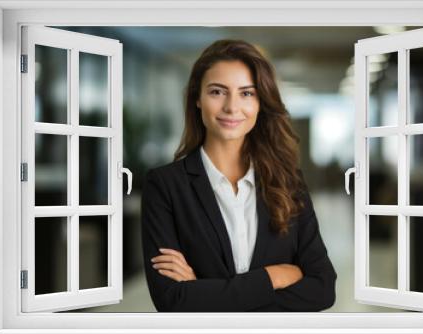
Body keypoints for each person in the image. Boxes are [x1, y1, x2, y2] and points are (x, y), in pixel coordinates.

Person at [141, 39, 337, 312]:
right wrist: (275, 276)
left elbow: (323, 289)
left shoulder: (289, 183)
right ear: (197, 98)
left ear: (261, 102)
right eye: (217, 92)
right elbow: (172, 300)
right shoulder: (165, 186)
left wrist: (205, 291)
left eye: (246, 93)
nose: (232, 107)